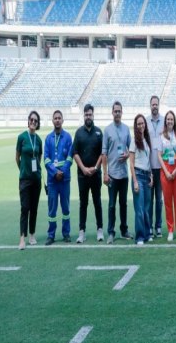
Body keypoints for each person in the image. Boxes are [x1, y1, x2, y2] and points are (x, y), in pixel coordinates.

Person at [72, 104, 103, 243]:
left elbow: (103, 153)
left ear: (93, 115)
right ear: (83, 116)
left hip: (96, 174)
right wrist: (84, 168)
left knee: (97, 202)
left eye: (90, 114)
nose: (88, 117)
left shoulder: (98, 132)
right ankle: (82, 232)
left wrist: (95, 168)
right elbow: (75, 153)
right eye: (86, 114)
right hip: (82, 175)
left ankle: (100, 230)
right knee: (83, 203)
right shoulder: (79, 133)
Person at [102, 101, 132, 244]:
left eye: (119, 111)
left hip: (124, 174)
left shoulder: (126, 129)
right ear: (112, 112)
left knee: (123, 203)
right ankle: (111, 232)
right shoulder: (107, 130)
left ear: (122, 112)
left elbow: (131, 150)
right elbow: (104, 153)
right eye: (115, 111)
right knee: (112, 204)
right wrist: (105, 173)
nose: (117, 113)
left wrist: (127, 155)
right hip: (112, 174)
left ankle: (124, 230)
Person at [43, 110, 73, 245]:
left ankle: (66, 233)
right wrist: (55, 172)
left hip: (64, 180)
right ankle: (51, 235)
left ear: (62, 120)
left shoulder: (67, 137)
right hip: (52, 181)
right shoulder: (48, 138)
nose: (57, 120)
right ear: (52, 120)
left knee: (65, 209)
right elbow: (46, 159)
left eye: (59, 118)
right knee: (52, 209)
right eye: (55, 118)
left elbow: (70, 158)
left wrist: (62, 172)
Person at [16, 111, 43, 249]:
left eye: (36, 121)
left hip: (36, 179)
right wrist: (23, 170)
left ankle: (32, 234)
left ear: (38, 124)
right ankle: (22, 238)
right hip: (25, 180)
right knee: (24, 208)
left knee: (34, 208)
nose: (33, 122)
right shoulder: (21, 137)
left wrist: (35, 172)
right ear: (28, 121)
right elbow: (17, 157)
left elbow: (39, 158)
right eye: (31, 120)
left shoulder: (38, 140)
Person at [158, 110, 176, 241]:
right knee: (168, 202)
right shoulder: (161, 136)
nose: (170, 121)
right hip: (165, 171)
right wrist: (167, 172)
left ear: (174, 121)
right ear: (165, 121)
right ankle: (170, 229)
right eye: (168, 119)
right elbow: (159, 155)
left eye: (172, 119)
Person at [129, 114, 153, 245]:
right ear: (135, 125)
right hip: (138, 175)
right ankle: (139, 236)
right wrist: (135, 181)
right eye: (138, 124)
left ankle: (148, 233)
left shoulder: (146, 140)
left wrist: (151, 176)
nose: (141, 126)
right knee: (139, 208)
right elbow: (131, 163)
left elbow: (148, 160)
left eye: (142, 123)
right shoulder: (134, 141)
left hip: (147, 175)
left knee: (147, 208)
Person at [147, 95, 164, 238]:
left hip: (161, 167)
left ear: (159, 105)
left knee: (159, 199)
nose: (154, 106)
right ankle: (150, 227)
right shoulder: (145, 121)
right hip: (148, 166)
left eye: (156, 104)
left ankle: (158, 226)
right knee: (149, 199)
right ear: (150, 106)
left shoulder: (164, 120)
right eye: (152, 104)